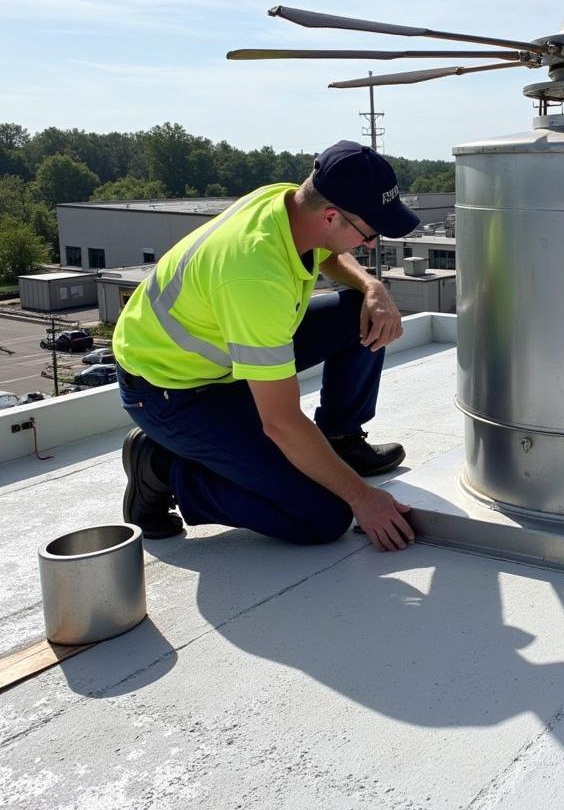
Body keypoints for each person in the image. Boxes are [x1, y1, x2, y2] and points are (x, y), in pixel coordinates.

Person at [112, 141, 420, 552]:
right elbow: (280, 422)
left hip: (221, 358)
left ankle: (341, 440)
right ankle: (163, 468)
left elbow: (326, 250)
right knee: (322, 516)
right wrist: (363, 499)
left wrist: (371, 285)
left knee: (359, 312)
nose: (369, 244)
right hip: (171, 393)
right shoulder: (254, 276)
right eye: (369, 232)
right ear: (331, 215)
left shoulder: (287, 202)